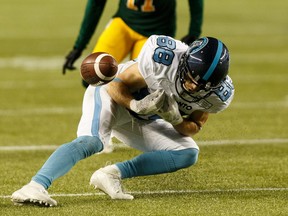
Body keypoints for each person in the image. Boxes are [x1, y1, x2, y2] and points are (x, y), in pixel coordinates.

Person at [11, 35, 234, 207]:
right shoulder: (163, 58)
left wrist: (174, 118)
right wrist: (135, 105)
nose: (194, 86)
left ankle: (111, 174)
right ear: (184, 63)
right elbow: (115, 83)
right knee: (92, 142)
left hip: (146, 117)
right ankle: (35, 186)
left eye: (203, 84)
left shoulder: (218, 95)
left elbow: (194, 127)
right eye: (190, 77)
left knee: (187, 153)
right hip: (113, 96)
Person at [62, 0, 204, 88]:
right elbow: (96, 4)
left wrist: (194, 31)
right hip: (124, 23)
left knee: (140, 87)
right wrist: (79, 45)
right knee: (93, 74)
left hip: (155, 34)